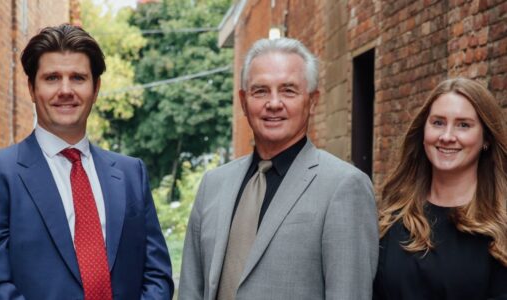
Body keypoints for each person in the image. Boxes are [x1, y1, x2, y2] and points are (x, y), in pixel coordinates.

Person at [0, 24, 173, 300]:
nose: (65, 90)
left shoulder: (132, 174)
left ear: (96, 88)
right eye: (52, 78)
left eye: (78, 78)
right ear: (32, 88)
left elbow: (157, 275)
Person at [178, 37, 378, 300]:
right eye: (260, 91)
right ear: (243, 101)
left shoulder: (344, 186)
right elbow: (191, 291)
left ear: (312, 100)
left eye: (288, 90)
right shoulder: (213, 184)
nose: (273, 103)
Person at [374, 78, 507, 299]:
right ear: (423, 131)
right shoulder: (392, 218)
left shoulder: (501, 226)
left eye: (463, 125)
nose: (446, 136)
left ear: (486, 139)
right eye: (438, 123)